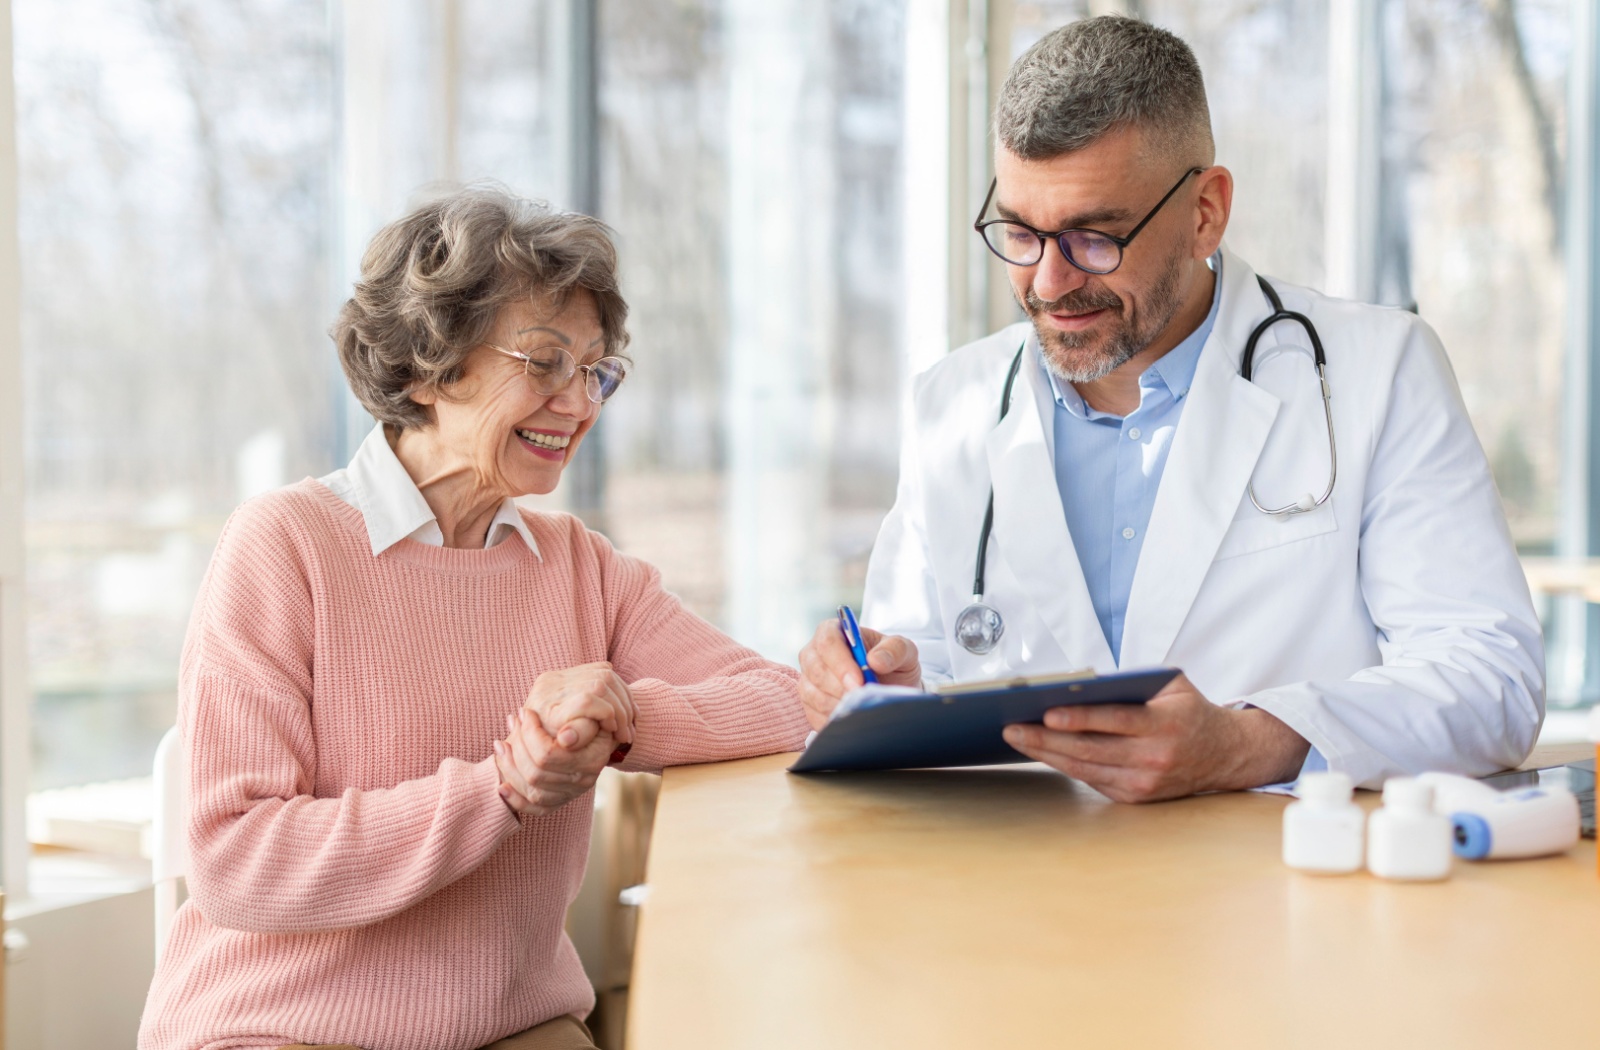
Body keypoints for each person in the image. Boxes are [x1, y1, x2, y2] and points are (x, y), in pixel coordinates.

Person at [798, 15, 1543, 802]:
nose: (1047, 283)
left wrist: (1251, 743)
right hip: (1023, 899)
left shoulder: (1377, 371)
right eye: (1020, 232)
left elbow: (1491, 675)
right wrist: (889, 692)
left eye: (1093, 237)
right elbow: (922, 662)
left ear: (1205, 212)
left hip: (1277, 897)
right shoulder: (954, 404)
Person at [139, 187, 810, 1050]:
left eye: (596, 370)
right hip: (280, 1026)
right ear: (427, 365)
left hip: (509, 1029)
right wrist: (501, 787)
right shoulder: (286, 545)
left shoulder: (580, 565)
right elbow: (236, 863)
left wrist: (617, 725)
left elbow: (784, 699)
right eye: (543, 362)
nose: (581, 405)